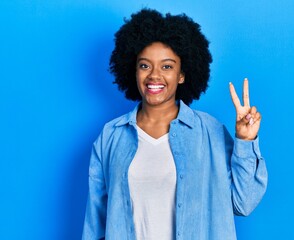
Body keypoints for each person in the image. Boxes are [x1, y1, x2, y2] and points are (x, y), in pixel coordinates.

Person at [82, 8, 268, 240]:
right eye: (144, 65)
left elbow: (244, 202)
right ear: (134, 70)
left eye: (167, 66)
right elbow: (95, 224)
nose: (154, 76)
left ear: (182, 74)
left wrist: (245, 141)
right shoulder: (111, 136)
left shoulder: (210, 132)